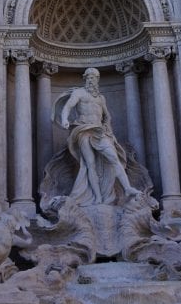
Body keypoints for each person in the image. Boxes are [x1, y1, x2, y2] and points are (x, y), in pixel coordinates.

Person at [58, 68, 138, 206]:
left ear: (98, 80)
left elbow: (107, 116)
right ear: (85, 79)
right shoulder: (79, 93)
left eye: (94, 77)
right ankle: (97, 198)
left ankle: (127, 188)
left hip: (100, 132)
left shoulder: (101, 98)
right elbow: (68, 106)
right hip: (83, 129)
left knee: (114, 157)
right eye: (89, 77)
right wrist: (64, 119)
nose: (91, 79)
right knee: (90, 164)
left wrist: (108, 128)